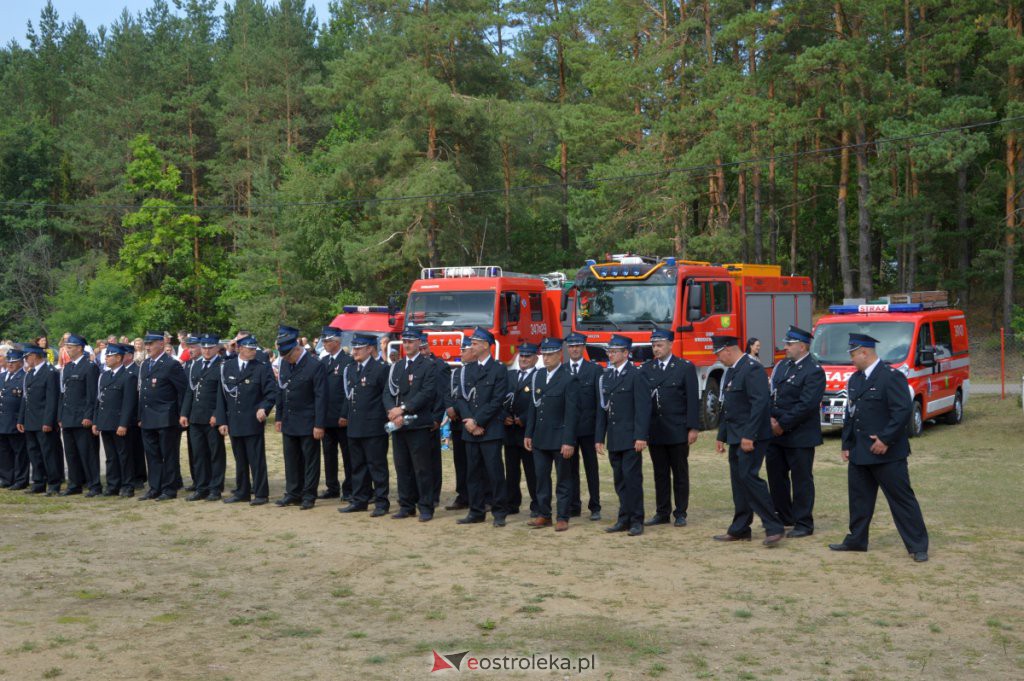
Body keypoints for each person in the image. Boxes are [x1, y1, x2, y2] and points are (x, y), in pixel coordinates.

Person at [830, 333, 929, 562]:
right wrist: (846, 443)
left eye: (853, 355)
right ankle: (856, 540)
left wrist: (885, 439)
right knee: (859, 500)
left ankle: (917, 546)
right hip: (859, 452)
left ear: (865, 352)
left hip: (888, 453)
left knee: (901, 500)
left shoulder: (890, 377)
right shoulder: (855, 379)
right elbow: (851, 414)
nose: (852, 360)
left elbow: (902, 411)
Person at [712, 335, 785, 546]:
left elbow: (759, 404)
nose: (718, 358)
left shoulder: (751, 368)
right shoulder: (732, 371)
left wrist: (749, 435)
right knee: (739, 481)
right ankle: (740, 528)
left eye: (718, 353)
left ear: (728, 349)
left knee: (749, 477)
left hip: (751, 436)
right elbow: (728, 406)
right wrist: (722, 435)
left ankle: (773, 525)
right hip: (735, 434)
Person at [766, 325, 826, 538]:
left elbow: (807, 405)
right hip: (776, 434)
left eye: (790, 344)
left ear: (802, 346)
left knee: (801, 480)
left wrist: (782, 424)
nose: (786, 347)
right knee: (776, 477)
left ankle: (803, 522)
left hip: (799, 435)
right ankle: (784, 516)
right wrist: (772, 418)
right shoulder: (782, 366)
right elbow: (772, 395)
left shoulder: (814, 370)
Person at [641, 329, 700, 528]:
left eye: (660, 345)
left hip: (677, 429)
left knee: (680, 473)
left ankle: (681, 512)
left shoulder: (684, 367)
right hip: (656, 430)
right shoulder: (647, 369)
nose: (656, 349)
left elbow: (693, 399)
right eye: (654, 346)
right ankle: (662, 512)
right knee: (660, 473)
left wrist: (693, 428)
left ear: (670, 345)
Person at [596, 335, 651, 537]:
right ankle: (624, 518)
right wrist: (599, 437)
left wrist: (640, 436)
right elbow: (603, 409)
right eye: (609, 351)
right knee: (619, 480)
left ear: (626, 353)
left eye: (614, 351)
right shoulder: (608, 376)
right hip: (615, 437)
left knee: (632, 479)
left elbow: (642, 408)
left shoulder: (636, 375)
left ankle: (637, 519)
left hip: (630, 438)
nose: (610, 354)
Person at [455, 327, 509, 527]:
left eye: (476, 343)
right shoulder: (467, 369)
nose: (472, 346)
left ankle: (499, 512)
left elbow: (496, 401)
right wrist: (469, 421)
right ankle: (476, 511)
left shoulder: (498, 369)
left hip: (490, 430)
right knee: (473, 473)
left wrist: (478, 421)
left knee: (494, 473)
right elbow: (461, 397)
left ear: (486, 345)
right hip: (470, 430)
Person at [384, 329, 439, 521]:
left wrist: (403, 409)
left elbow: (426, 393)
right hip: (399, 424)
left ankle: (425, 506)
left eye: (410, 341)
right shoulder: (397, 366)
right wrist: (392, 411)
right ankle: (406, 505)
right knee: (402, 467)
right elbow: (388, 392)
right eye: (404, 341)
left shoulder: (428, 366)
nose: (406, 345)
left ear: (419, 343)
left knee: (422, 468)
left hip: (418, 424)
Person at [524, 337, 578, 531]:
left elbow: (572, 413)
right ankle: (544, 514)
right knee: (541, 478)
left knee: (563, 479)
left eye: (550, 354)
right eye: (544, 354)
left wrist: (569, 441)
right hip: (540, 437)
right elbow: (533, 407)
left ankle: (563, 516)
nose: (546, 358)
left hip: (560, 437)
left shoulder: (568, 378)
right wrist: (528, 433)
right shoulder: (537, 376)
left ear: (559, 355)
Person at [217, 335, 277, 505]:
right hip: (234, 419)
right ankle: (242, 491)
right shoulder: (227, 367)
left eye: (254, 348)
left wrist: (264, 408)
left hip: (252, 420)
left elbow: (271, 392)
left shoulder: (262, 368)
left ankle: (261, 494)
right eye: (250, 348)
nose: (253, 351)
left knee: (256, 459)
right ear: (239, 349)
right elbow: (221, 396)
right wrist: (222, 421)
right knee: (240, 459)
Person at [338, 334, 391, 517]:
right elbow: (349, 395)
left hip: (374, 427)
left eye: (359, 348)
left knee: (377, 466)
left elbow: (386, 396)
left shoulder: (380, 369)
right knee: (357, 466)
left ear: (370, 349)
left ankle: (381, 502)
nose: (355, 351)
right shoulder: (351, 369)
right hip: (355, 425)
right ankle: (360, 499)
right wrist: (344, 415)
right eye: (354, 348)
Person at [274, 325, 326, 510]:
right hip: (289, 420)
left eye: (289, 355)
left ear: (297, 348)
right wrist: (279, 416)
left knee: (310, 460)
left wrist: (319, 424)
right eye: (284, 357)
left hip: (308, 420)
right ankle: (292, 492)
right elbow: (281, 391)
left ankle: (308, 495)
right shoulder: (286, 363)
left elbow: (320, 397)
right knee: (291, 459)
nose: (287, 359)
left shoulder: (314, 365)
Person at [137, 331, 186, 501]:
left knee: (168, 454)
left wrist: (181, 414)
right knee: (152, 455)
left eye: (151, 344)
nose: (147, 347)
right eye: (146, 344)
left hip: (166, 416)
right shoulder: (145, 364)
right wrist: (140, 415)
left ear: (161, 344)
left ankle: (169, 488)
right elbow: (143, 392)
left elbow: (182, 391)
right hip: (148, 417)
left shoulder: (171, 364)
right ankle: (154, 487)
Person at [180, 335, 226, 501]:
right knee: (198, 454)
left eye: (210, 348)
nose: (206, 350)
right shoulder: (195, 364)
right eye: (204, 347)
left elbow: (223, 394)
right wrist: (184, 413)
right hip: (196, 416)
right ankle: (201, 487)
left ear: (216, 348)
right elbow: (190, 391)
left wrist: (217, 414)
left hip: (212, 417)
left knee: (215, 454)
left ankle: (215, 487)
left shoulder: (222, 365)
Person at [58, 333, 101, 496]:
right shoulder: (68, 367)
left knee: (87, 453)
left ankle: (94, 485)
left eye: (70, 347)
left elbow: (92, 395)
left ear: (80, 348)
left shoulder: (90, 367)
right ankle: (74, 484)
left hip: (82, 417)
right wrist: (60, 416)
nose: (67, 349)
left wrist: (89, 416)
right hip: (68, 416)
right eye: (66, 347)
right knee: (71, 453)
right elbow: (64, 394)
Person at [564, 332, 601, 521]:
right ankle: (573, 505)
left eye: (578, 346)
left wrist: (599, 434)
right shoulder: (562, 370)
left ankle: (595, 506)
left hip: (588, 429)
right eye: (571, 346)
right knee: (570, 470)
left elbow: (599, 403)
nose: (574, 349)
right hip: (569, 431)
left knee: (591, 469)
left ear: (584, 347)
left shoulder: (594, 370)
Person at [92, 343, 137, 496]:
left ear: (119, 358)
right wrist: (96, 421)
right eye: (106, 355)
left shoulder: (128, 376)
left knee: (124, 456)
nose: (106, 358)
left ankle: (127, 485)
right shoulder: (104, 375)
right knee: (111, 457)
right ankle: (113, 485)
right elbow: (99, 400)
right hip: (105, 422)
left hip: (119, 423)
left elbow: (128, 403)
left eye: (109, 356)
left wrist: (123, 424)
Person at [17, 344, 63, 495]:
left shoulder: (50, 372)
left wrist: (48, 421)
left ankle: (54, 483)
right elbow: (26, 398)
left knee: (49, 453)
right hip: (31, 420)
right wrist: (21, 419)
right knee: (34, 453)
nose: (25, 360)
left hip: (43, 421)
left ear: (35, 355)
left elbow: (52, 399)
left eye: (27, 357)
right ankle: (38, 482)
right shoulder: (30, 374)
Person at [503, 343, 540, 518]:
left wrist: (523, 419)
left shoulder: (539, 376)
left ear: (536, 358)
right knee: (511, 471)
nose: (524, 359)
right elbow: (500, 398)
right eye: (522, 356)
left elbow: (539, 403)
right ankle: (512, 503)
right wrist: (504, 416)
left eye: (528, 356)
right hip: (510, 431)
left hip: (528, 431)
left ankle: (537, 504)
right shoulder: (509, 375)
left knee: (532, 471)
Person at [318, 326, 354, 501]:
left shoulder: (348, 361)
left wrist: (345, 414)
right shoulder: (323, 362)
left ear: (337, 342)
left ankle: (350, 488)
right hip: (326, 417)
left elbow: (349, 392)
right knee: (329, 454)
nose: (324, 344)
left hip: (341, 417)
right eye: (323, 341)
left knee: (348, 455)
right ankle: (332, 486)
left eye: (327, 341)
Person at [443, 336, 476, 511]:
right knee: (460, 462)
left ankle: (483, 496)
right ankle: (463, 495)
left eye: (464, 350)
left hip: (471, 421)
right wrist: (449, 407)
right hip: (457, 424)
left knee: (477, 463)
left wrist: (458, 410)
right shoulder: (456, 372)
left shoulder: (478, 371)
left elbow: (473, 398)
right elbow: (448, 392)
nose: (461, 353)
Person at [418, 332, 449, 507]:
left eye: (424, 347)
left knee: (432, 461)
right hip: (415, 420)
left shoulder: (439, 366)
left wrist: (437, 419)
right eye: (419, 348)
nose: (422, 351)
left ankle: (434, 495)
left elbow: (442, 394)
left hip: (431, 419)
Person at [0, 349, 29, 490]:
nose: (10, 365)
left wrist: (21, 420)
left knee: (19, 452)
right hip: (2, 420)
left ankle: (20, 479)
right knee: (4, 451)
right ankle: (6, 478)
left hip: (15, 420)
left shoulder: (24, 377)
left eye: (14, 362)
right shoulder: (2, 376)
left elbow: (25, 401)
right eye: (9, 361)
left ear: (21, 362)